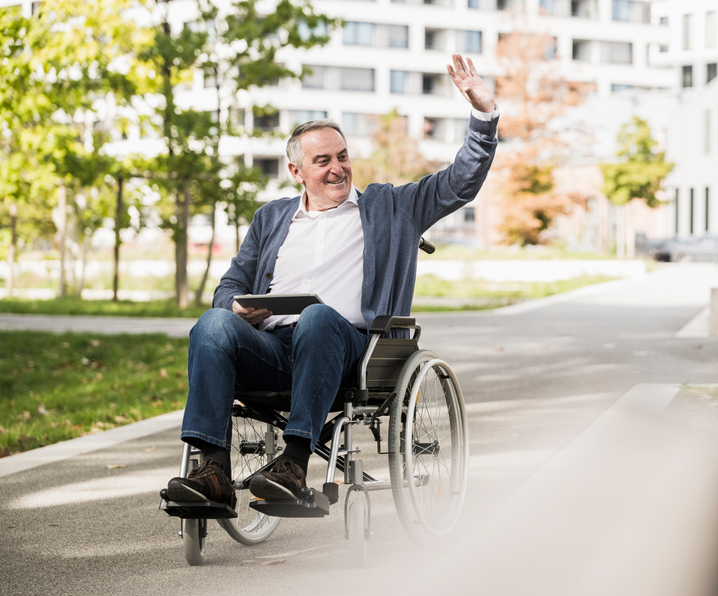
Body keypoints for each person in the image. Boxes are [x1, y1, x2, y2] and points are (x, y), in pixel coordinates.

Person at [165, 54, 498, 504]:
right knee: (211, 322)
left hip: (350, 350)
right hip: (274, 348)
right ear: (297, 172)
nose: (337, 168)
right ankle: (213, 472)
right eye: (322, 160)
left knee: (318, 317)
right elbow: (229, 287)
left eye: (342, 156)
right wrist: (238, 308)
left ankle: (294, 464)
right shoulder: (271, 218)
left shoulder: (390, 208)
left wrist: (483, 113)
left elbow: (460, 182)